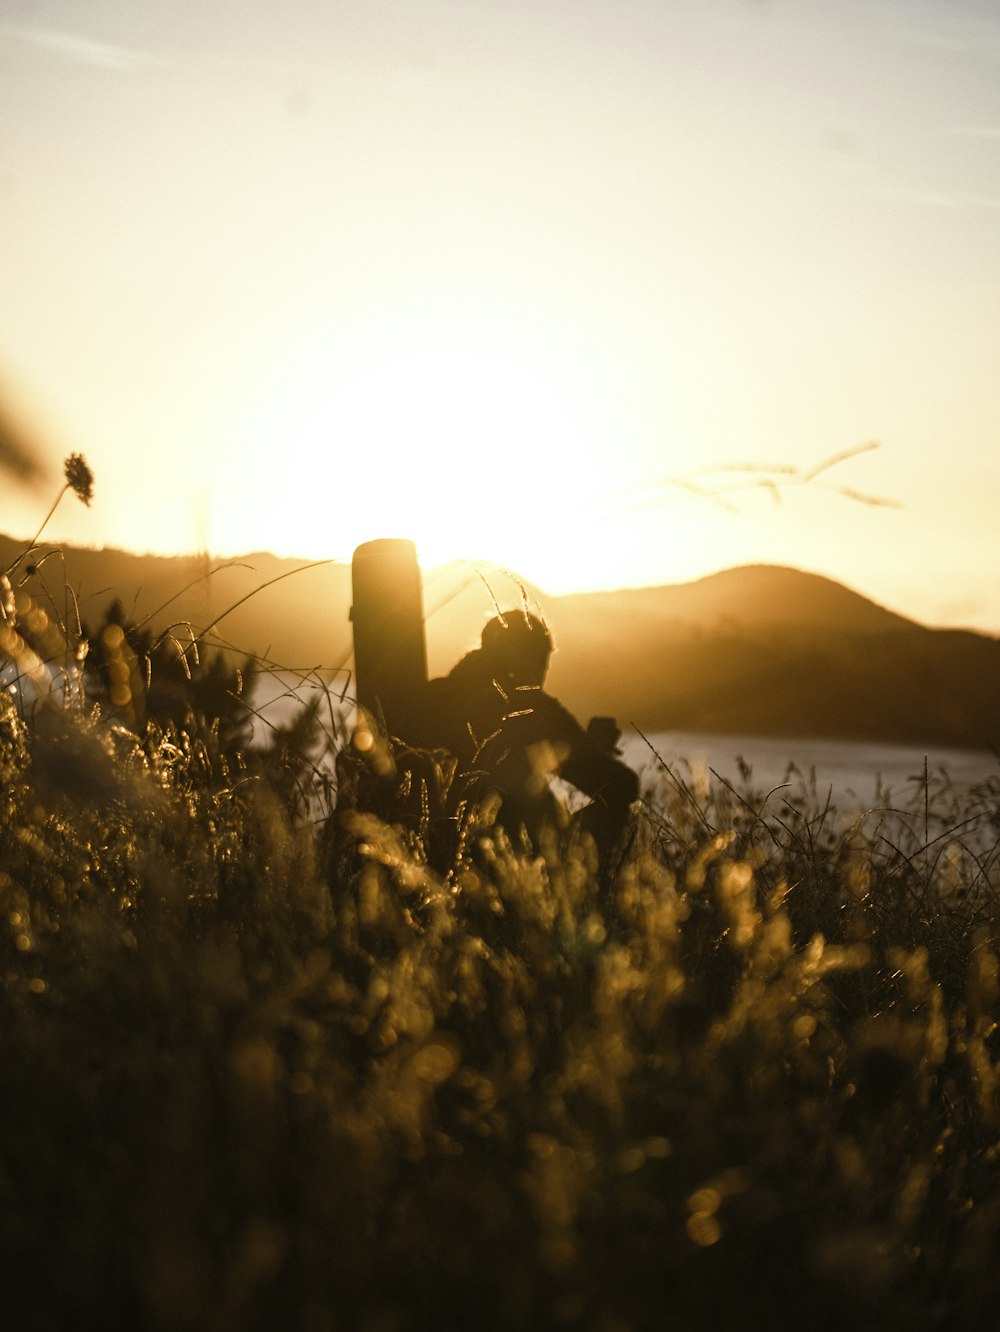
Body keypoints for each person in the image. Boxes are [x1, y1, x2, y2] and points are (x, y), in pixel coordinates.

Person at [400, 609, 639, 866]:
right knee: (620, 813)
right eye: (544, 665)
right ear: (532, 660)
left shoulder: (434, 696)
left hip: (419, 859)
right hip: (508, 862)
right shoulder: (532, 706)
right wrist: (593, 749)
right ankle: (582, 894)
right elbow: (621, 787)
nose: (542, 677)